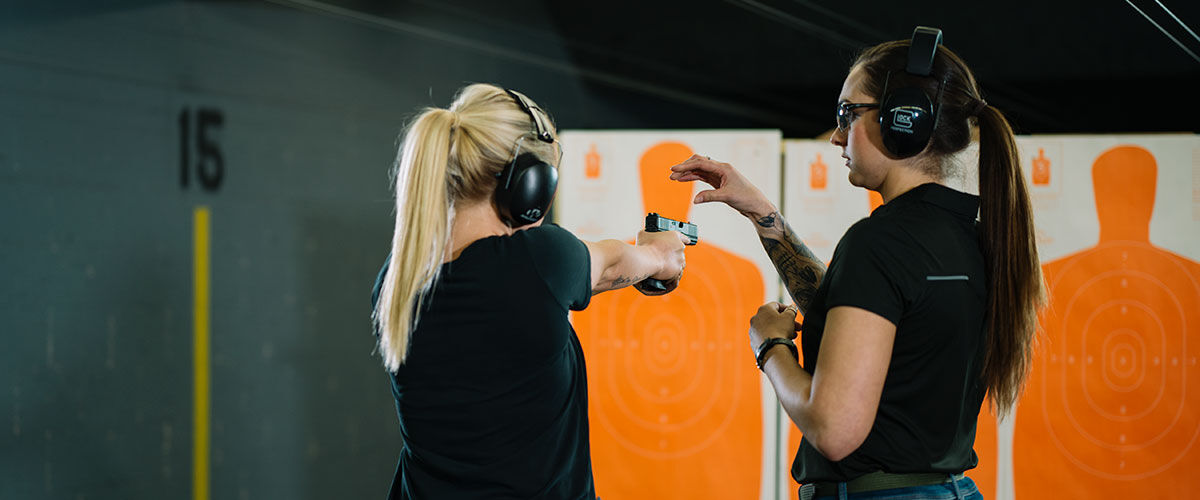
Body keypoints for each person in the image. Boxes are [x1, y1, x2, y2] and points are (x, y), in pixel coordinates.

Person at [669, 28, 1044, 500]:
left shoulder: (881, 241)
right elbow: (866, 315)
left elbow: (833, 428)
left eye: (849, 113)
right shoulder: (969, 234)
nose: (836, 135)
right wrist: (765, 216)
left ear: (904, 118)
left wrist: (770, 346)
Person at [369, 83, 689, 499]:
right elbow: (613, 263)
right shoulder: (534, 262)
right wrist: (662, 255)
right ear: (529, 186)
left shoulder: (397, 281)